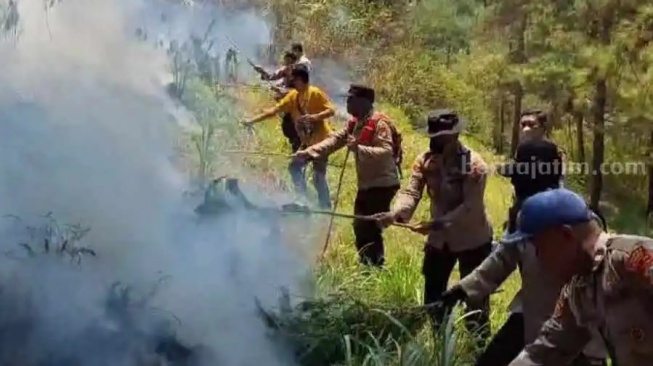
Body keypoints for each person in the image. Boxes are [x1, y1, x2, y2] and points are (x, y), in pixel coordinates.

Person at [375, 109, 493, 345]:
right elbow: (411, 192)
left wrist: (435, 224)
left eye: (440, 137)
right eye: (432, 135)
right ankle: (440, 342)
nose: (434, 141)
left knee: (475, 297)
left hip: (473, 240)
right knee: (434, 293)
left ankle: (477, 346)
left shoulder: (474, 165)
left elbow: (470, 207)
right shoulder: (425, 160)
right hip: (440, 241)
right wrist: (398, 213)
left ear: (454, 136)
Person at [500, 188, 653, 366]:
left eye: (540, 246)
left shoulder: (637, 259)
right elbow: (544, 352)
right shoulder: (578, 293)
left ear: (565, 235)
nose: (538, 257)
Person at [437, 213, 607, 366]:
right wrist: (465, 289)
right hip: (529, 315)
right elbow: (502, 259)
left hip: (579, 332)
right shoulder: (525, 217)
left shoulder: (581, 223)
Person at [293, 84, 400, 267]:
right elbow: (334, 141)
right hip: (367, 182)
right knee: (361, 225)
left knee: (368, 225)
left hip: (383, 183)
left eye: (351, 100)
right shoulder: (354, 123)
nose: (348, 103)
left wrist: (359, 148)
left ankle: (374, 265)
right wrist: (309, 152)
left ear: (364, 103)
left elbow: (386, 151)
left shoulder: (379, 124)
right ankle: (368, 264)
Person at [242, 65, 334, 208]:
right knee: (294, 167)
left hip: (321, 141)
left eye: (294, 78)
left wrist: (314, 117)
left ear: (300, 79)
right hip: (307, 143)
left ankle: (325, 207)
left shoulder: (315, 93)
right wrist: (251, 120)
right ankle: (303, 200)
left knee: (318, 177)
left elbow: (331, 110)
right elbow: (274, 111)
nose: (291, 81)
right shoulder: (293, 96)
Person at [498, 109, 565, 234]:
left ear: (542, 127)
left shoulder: (545, 149)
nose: (526, 129)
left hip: (536, 203)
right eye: (523, 125)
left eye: (531, 124)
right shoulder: (526, 148)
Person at [252, 51, 302, 152]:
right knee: (287, 126)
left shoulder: (299, 73)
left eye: (289, 62)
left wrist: (282, 90)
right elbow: (271, 77)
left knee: (295, 127)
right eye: (285, 61)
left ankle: (299, 149)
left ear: (293, 62)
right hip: (286, 102)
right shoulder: (284, 70)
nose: (286, 64)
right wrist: (262, 71)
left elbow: (300, 90)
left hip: (297, 103)